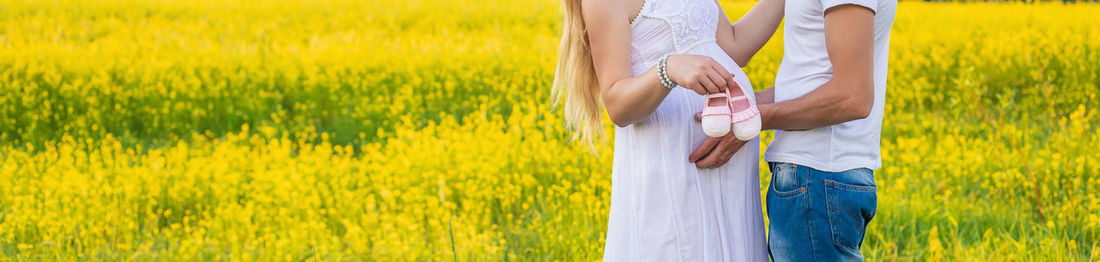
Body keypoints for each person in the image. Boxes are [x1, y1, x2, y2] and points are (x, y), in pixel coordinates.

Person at [551, 0, 783, 260]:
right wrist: (668, 68)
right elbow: (617, 104)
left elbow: (735, 45)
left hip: (728, 172)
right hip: (673, 166)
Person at [750, 0, 896, 260]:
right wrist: (747, 103)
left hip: (817, 176)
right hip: (816, 178)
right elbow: (811, 80)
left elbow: (851, 96)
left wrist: (754, 117)